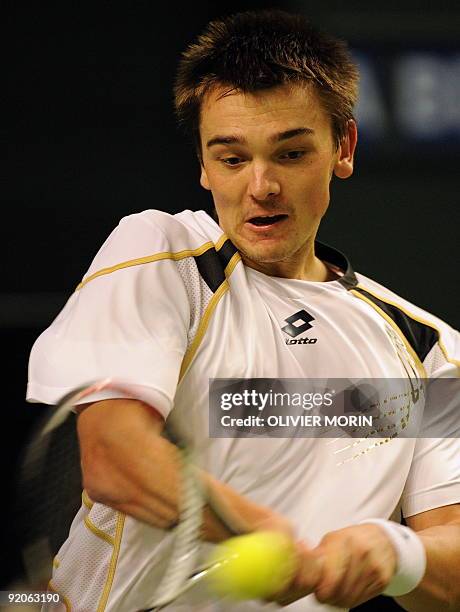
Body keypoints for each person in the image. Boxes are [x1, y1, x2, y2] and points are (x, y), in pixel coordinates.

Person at [27, 9, 460, 612]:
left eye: (290, 154)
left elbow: (453, 558)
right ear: (204, 165)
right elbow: (115, 457)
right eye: (231, 158)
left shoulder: (428, 348)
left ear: (344, 147)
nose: (261, 186)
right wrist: (254, 529)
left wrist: (394, 551)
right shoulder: (163, 254)